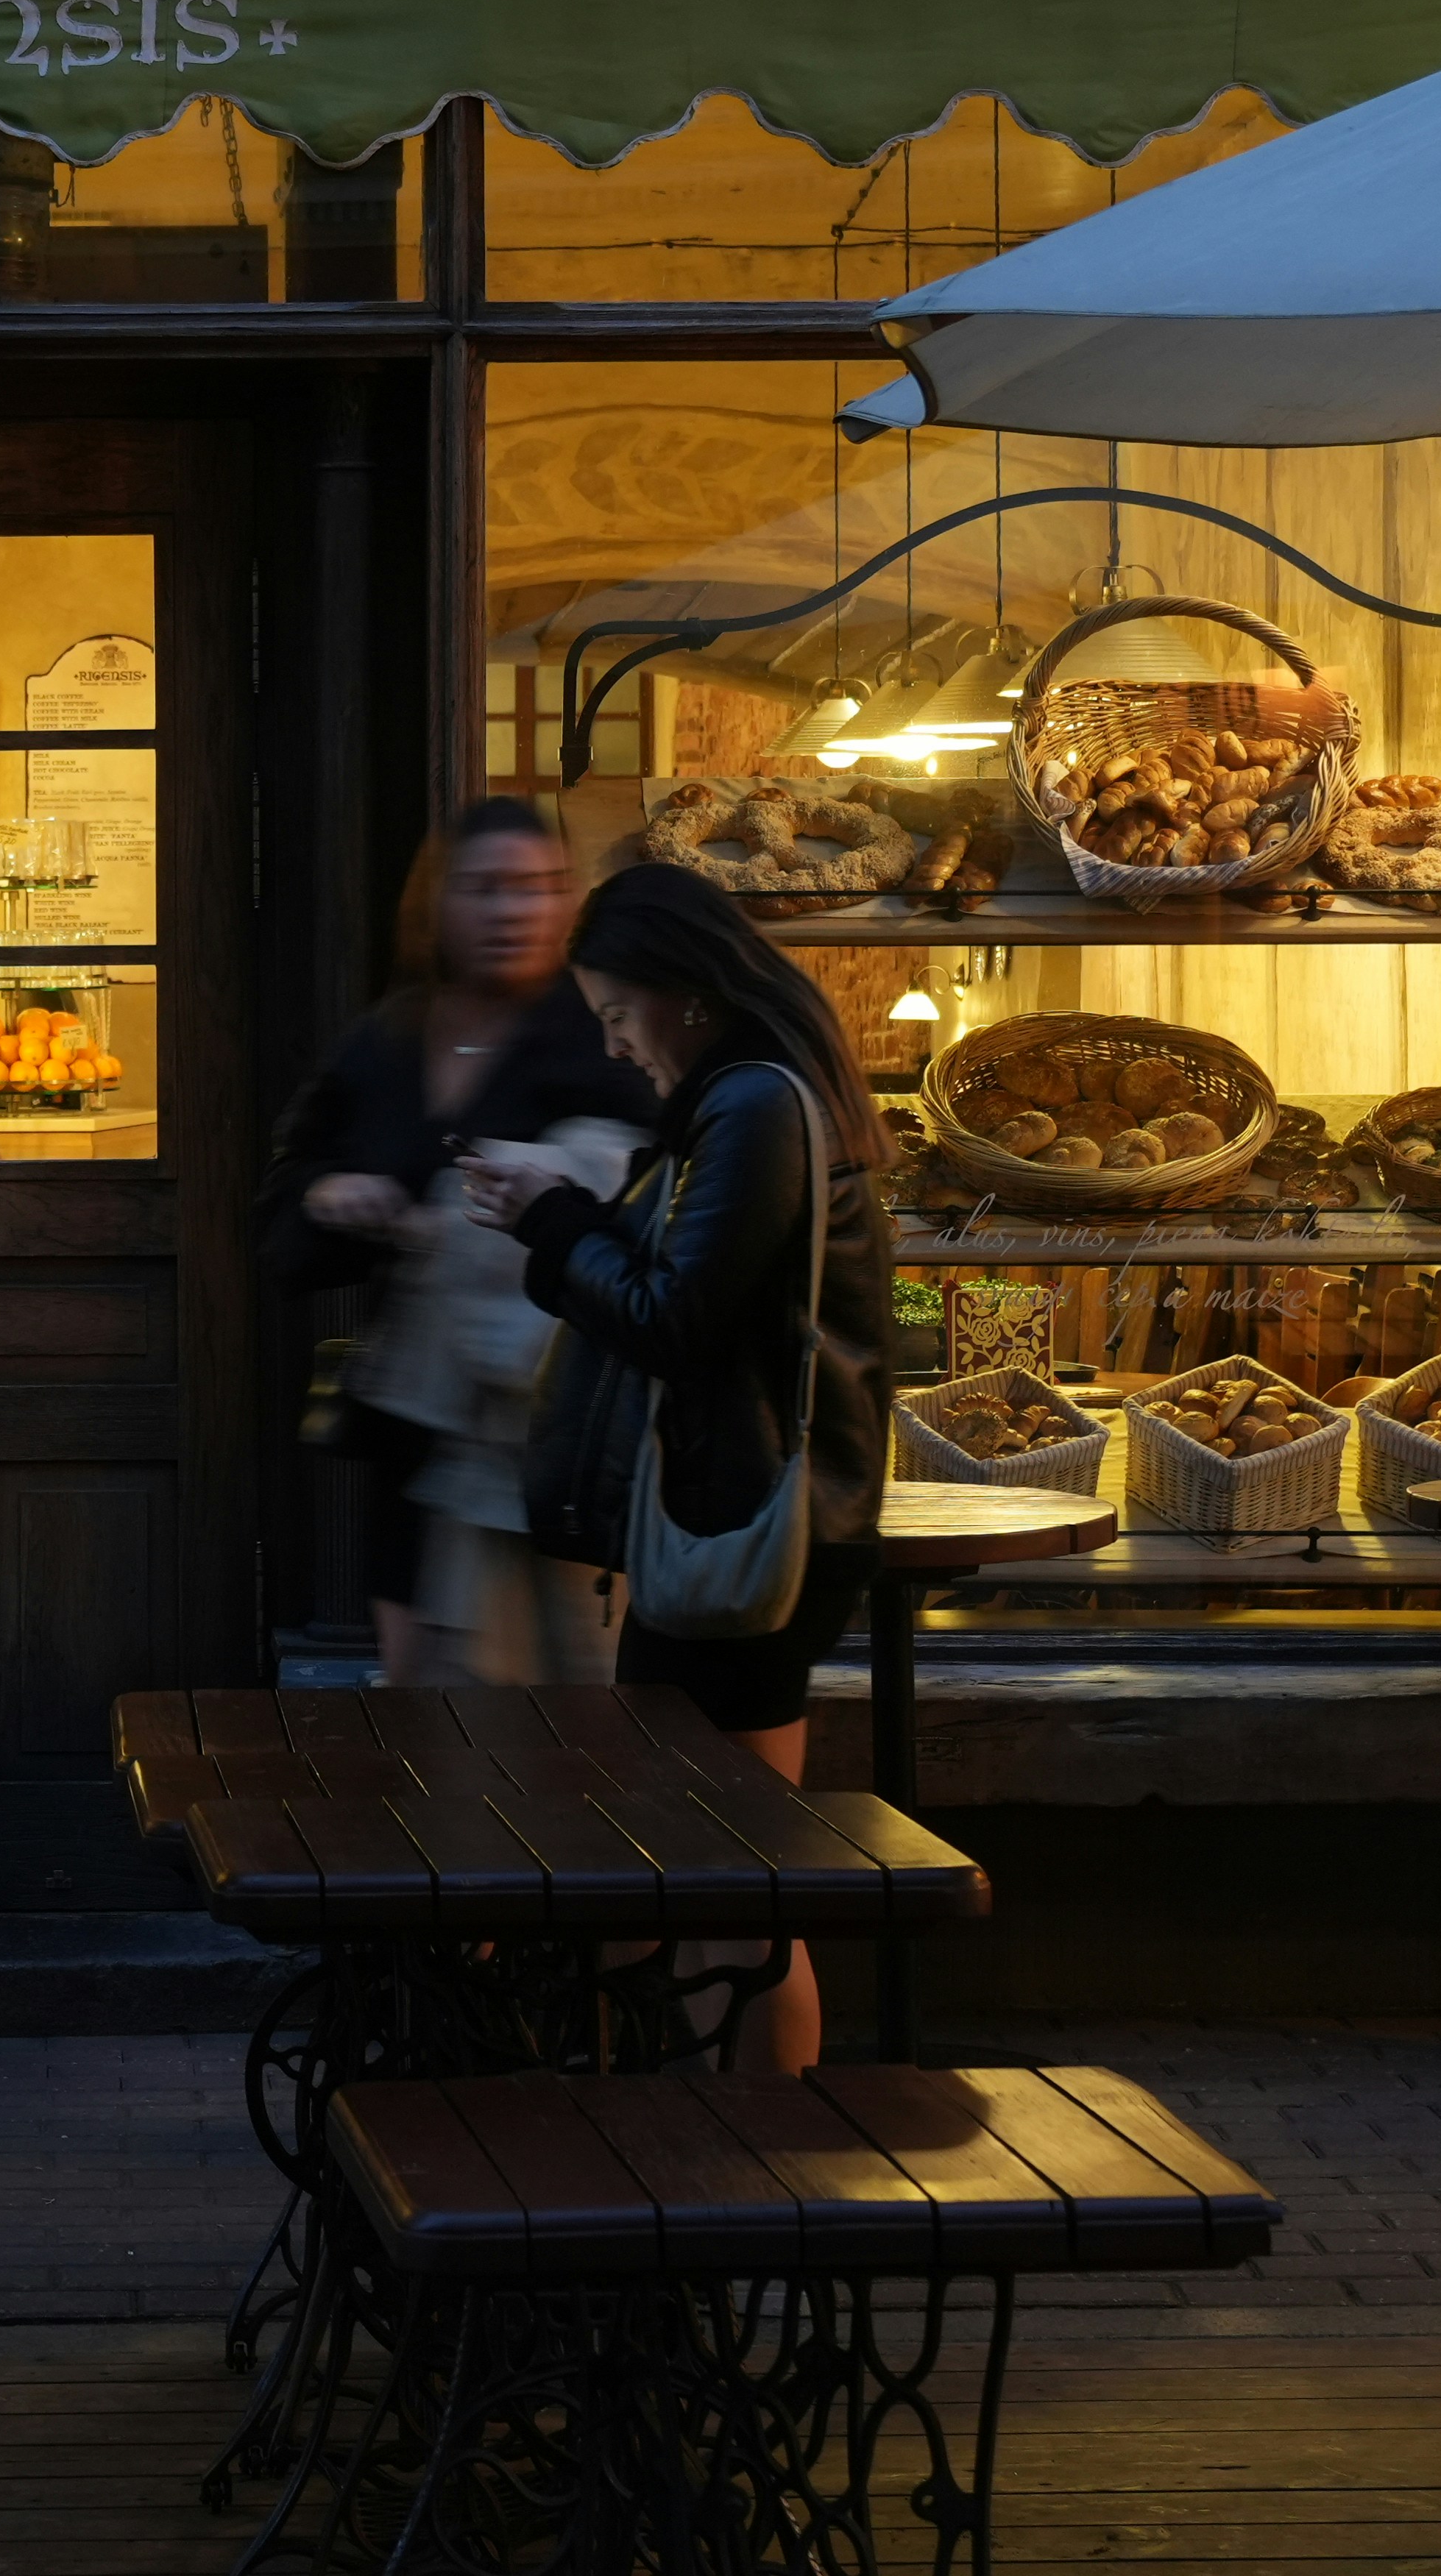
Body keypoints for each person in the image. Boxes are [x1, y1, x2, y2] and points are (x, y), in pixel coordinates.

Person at [459, 859, 895, 2068]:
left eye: (613, 1014)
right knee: (714, 1872)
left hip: (738, 1525)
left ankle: (759, 2178)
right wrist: (573, 1208)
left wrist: (551, 1221)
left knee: (730, 1887)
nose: (610, 1047)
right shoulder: (747, 1097)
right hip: (731, 1514)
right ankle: (732, 2171)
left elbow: (673, 1317)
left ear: (683, 994)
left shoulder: (752, 1102)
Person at [255, 801, 645, 1684]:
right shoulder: (387, 1041)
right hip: (419, 1436)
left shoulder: (606, 1033)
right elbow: (286, 1198)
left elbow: (661, 1209)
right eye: (490, 889)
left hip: (567, 1441)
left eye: (541, 888)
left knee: (577, 1713)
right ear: (439, 904)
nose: (517, 911)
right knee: (439, 1718)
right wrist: (330, 1195)